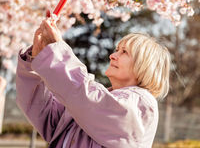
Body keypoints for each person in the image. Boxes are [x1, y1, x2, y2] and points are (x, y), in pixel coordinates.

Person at [16, 17, 171, 148]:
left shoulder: (142, 104)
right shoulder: (84, 104)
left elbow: (87, 98)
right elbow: (42, 111)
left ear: (144, 65)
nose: (113, 55)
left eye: (124, 52)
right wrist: (33, 61)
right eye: (117, 50)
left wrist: (56, 51)